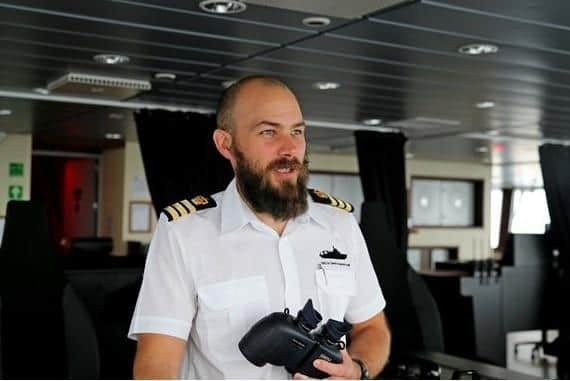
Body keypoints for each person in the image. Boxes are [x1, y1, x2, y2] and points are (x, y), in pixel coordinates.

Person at [128, 75, 391, 379]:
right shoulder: (184, 233)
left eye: (297, 131)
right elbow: (155, 365)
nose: (290, 148)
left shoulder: (339, 224)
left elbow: (372, 328)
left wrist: (357, 369)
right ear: (226, 144)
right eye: (269, 132)